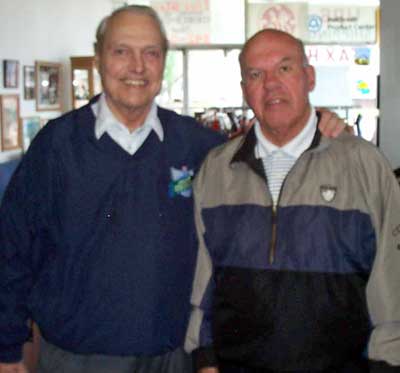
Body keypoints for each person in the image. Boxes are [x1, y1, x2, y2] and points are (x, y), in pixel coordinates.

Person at [0, 6, 346, 373]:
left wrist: (317, 128)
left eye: (151, 53)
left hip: (176, 357)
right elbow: (12, 248)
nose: (137, 66)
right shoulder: (57, 146)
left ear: (163, 62)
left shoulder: (198, 146)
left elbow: (272, 156)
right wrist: (6, 346)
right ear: (100, 58)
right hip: (78, 358)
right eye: (121, 51)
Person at [185, 29, 400, 373]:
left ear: (309, 77)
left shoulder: (364, 165)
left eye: (285, 69)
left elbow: (391, 282)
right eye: (256, 74)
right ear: (245, 90)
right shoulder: (217, 170)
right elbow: (203, 278)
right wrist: (204, 356)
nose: (270, 84)